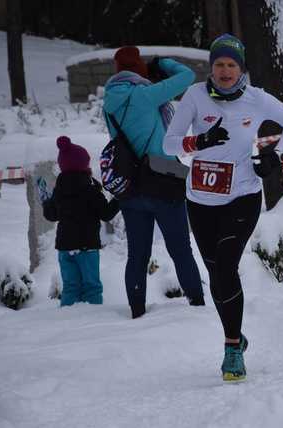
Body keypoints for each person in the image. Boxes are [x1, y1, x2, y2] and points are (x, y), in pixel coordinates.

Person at [163, 34, 283, 382]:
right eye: (219, 64)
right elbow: (169, 144)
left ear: (241, 69)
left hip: (242, 195)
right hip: (200, 200)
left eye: (231, 65)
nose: (224, 71)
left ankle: (230, 350)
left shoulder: (257, 100)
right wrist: (199, 142)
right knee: (217, 273)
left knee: (226, 264)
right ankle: (236, 335)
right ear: (211, 67)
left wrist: (278, 156)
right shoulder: (195, 96)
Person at [103, 46, 204, 319]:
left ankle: (137, 311)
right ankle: (197, 305)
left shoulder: (109, 102)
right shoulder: (145, 95)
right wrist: (163, 63)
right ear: (140, 69)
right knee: (181, 250)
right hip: (163, 182)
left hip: (130, 188)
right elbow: (187, 76)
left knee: (137, 256)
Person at [42, 136, 120, 306]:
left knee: (70, 287)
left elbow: (51, 215)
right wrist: (119, 197)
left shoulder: (59, 191)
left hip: (65, 248)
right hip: (87, 247)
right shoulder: (90, 190)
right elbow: (106, 214)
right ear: (84, 165)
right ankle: (92, 321)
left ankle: (69, 321)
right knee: (91, 287)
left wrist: (46, 202)